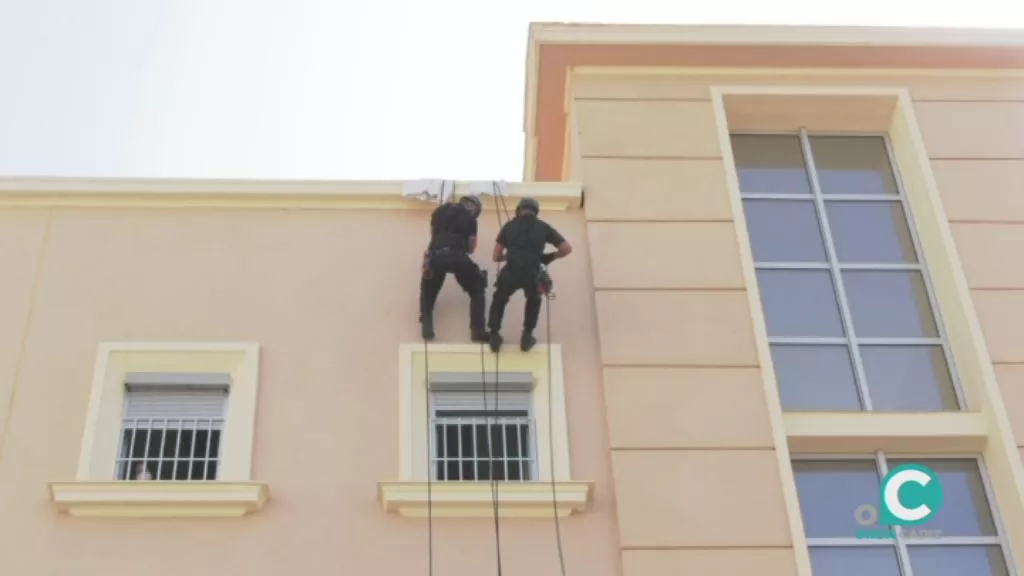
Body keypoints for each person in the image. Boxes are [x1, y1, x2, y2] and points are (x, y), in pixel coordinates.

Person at [487, 197, 572, 352]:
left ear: (519, 210)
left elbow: (495, 256)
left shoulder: (509, 226)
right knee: (534, 299)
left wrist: (510, 255)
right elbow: (566, 248)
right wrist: (549, 257)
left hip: (511, 270)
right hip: (532, 271)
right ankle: (527, 336)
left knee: (499, 298)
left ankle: (494, 334)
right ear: (536, 211)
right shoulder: (543, 227)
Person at [419, 195, 488, 342]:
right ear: (473, 208)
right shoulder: (470, 220)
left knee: (428, 291)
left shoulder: (439, 212)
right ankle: (477, 331)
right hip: (458, 257)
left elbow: (433, 236)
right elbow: (471, 246)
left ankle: (427, 326)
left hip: (436, 256)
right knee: (477, 289)